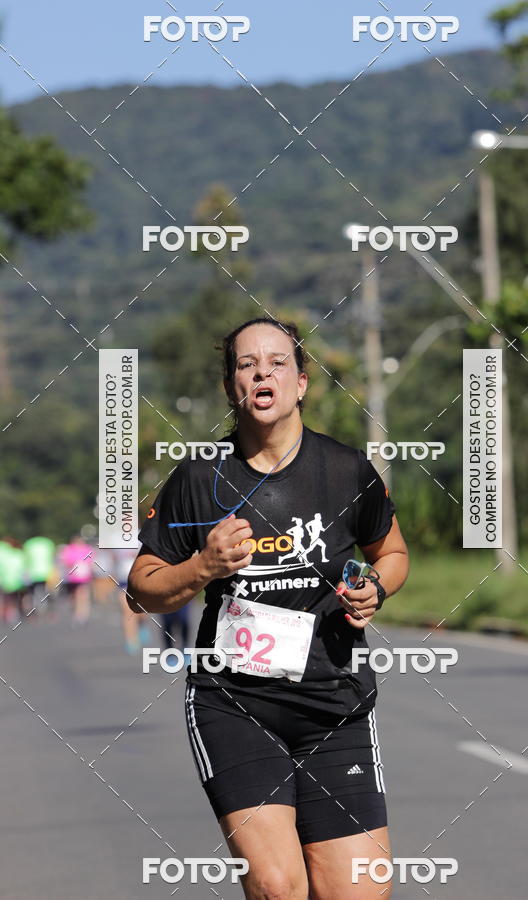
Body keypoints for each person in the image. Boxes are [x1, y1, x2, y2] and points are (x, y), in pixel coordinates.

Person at [128, 318, 409, 899]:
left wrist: (375, 586)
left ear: (301, 383)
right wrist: (202, 567)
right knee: (278, 886)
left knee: (358, 889)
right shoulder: (198, 477)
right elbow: (142, 585)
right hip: (236, 704)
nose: (262, 372)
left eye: (277, 362)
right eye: (246, 363)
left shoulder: (345, 470)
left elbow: (393, 552)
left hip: (335, 701)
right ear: (231, 386)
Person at [59, 535, 94, 625]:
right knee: (74, 596)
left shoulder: (87, 549)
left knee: (83, 595)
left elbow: (91, 562)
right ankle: (77, 611)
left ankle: (82, 614)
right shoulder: (69, 549)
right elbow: (65, 561)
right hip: (73, 578)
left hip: (84, 577)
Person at [23, 535, 56, 619]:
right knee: (46, 592)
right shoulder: (48, 543)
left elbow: (26, 558)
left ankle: (36, 610)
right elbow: (52, 557)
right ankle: (46, 609)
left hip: (33, 573)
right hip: (46, 572)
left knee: (33, 593)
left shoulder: (28, 544)